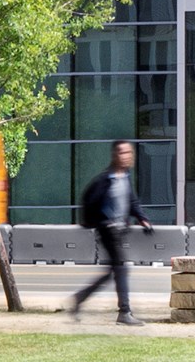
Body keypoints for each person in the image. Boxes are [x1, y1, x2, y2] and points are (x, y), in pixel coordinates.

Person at [65, 139, 155, 325]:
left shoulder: (125, 178)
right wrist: (99, 223)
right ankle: (124, 312)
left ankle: (79, 299)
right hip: (108, 231)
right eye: (123, 153)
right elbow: (88, 201)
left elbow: (132, 202)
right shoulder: (104, 181)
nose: (127, 156)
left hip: (121, 232)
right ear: (114, 155)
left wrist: (142, 218)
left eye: (129, 153)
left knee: (113, 272)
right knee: (121, 269)